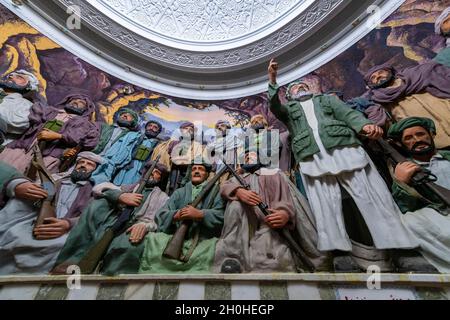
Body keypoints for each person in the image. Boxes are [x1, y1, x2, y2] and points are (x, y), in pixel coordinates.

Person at [268, 59, 418, 271]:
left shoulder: (327, 101)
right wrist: (272, 79)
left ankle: (401, 250)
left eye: (303, 86)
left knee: (373, 198)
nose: (300, 89)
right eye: (294, 88)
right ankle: (339, 254)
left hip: (345, 150)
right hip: (313, 159)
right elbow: (274, 105)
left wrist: (364, 125)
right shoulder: (288, 111)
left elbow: (348, 114)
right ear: (290, 96)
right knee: (325, 207)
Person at [214, 148, 330, 273]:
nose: (248, 158)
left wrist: (284, 213)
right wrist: (238, 191)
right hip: (244, 224)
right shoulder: (238, 178)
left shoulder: (274, 175)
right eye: (245, 157)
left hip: (268, 224)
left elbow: (285, 198)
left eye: (251, 155)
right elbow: (225, 187)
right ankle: (232, 256)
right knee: (235, 206)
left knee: (270, 259)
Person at [53, 161, 169, 275]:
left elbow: (157, 220)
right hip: (113, 220)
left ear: (161, 178)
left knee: (128, 245)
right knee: (98, 204)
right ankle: (71, 261)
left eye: (157, 172)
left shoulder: (162, 197)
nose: (152, 174)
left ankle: (110, 274)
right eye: (150, 171)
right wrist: (121, 196)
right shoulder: (128, 187)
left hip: (134, 226)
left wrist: (144, 226)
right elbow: (100, 188)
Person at [0, 152, 102, 274]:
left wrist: (68, 224)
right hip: (38, 222)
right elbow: (45, 195)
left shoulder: (94, 190)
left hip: (66, 230)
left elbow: (92, 214)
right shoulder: (56, 181)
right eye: (81, 162)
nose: (83, 165)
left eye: (89, 164)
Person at [387, 117, 450, 273]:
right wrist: (402, 182)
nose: (416, 140)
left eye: (420, 134)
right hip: (441, 216)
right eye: (408, 138)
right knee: (410, 221)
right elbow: (404, 206)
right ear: (402, 144)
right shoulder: (403, 168)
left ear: (431, 135)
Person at [139, 163, 225, 274]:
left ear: (207, 174)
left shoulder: (216, 192)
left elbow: (222, 216)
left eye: (201, 169)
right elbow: (161, 214)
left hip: (203, 239)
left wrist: (200, 214)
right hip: (174, 235)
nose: (197, 171)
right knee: (153, 242)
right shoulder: (179, 192)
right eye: (194, 169)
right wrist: (178, 214)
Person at [0, 93, 100, 174]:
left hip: (49, 155)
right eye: (72, 100)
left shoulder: (83, 123)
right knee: (5, 167)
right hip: (24, 146)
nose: (75, 102)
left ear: (86, 109)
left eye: (80, 102)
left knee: (33, 178)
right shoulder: (49, 111)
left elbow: (78, 136)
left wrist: (58, 136)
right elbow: (31, 118)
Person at [363, 63, 450, 149]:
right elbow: (378, 120)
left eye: (381, 72)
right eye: (373, 78)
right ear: (371, 84)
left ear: (389, 71)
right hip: (430, 134)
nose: (378, 77)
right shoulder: (378, 99)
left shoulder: (414, 77)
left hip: (444, 110)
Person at [90, 108, 142, 185]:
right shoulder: (104, 127)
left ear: (133, 121)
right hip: (91, 157)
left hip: (108, 165)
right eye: (122, 114)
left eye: (129, 116)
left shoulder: (132, 136)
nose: (124, 116)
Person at [112, 120, 164, 185]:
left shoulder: (158, 145)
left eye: (155, 127)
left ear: (158, 132)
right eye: (149, 126)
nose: (151, 128)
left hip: (142, 168)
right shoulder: (136, 137)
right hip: (129, 164)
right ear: (145, 128)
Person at [0, 70, 39, 146]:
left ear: (28, 86)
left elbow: (19, 122)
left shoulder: (26, 105)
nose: (11, 76)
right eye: (11, 75)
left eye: (19, 77)